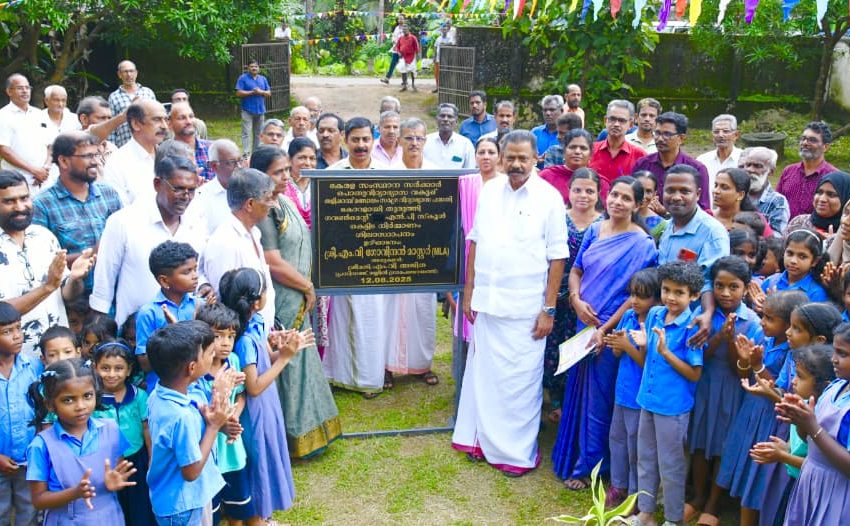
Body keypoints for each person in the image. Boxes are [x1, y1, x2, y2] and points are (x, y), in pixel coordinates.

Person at [452, 130, 568, 476]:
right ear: (501, 158)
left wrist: (548, 309)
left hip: (526, 308)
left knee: (520, 381)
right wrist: (469, 291)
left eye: (523, 158)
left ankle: (515, 452)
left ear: (536, 159)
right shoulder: (489, 191)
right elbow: (475, 242)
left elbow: (558, 257)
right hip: (488, 301)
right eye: (511, 157)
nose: (516, 164)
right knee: (485, 375)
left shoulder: (549, 198)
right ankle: (481, 440)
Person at [553, 176, 658, 489]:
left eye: (626, 198)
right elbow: (577, 269)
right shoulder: (595, 229)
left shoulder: (642, 244)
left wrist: (603, 329)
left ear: (637, 204)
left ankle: (591, 467)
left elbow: (635, 297)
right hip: (583, 320)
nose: (617, 202)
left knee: (599, 397)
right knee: (577, 388)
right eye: (614, 195)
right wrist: (575, 300)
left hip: (613, 328)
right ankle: (573, 454)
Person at [252, 146, 341, 459]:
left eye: (285, 170)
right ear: (260, 175)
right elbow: (273, 261)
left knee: (302, 360)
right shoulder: (266, 212)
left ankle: (313, 430)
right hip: (283, 297)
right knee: (287, 362)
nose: (285, 177)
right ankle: (289, 438)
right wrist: (306, 286)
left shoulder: (284, 201)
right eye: (277, 172)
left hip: (297, 294)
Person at [219, 268, 313, 519]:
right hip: (255, 412)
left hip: (268, 405)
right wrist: (285, 358)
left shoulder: (256, 324)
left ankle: (264, 515)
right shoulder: (244, 340)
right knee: (258, 462)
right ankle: (257, 517)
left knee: (269, 454)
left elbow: (265, 360)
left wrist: (282, 348)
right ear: (256, 302)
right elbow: (254, 386)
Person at [715, 290, 807, 526]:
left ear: (788, 325)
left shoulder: (791, 352)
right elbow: (743, 374)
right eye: (763, 316)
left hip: (772, 417)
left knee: (759, 475)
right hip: (752, 408)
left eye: (770, 318)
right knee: (745, 461)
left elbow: (778, 389)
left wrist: (757, 365)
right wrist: (746, 360)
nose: (763, 322)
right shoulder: (763, 337)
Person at [685, 256, 763, 525]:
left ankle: (713, 503)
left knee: (723, 446)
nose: (726, 293)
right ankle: (697, 496)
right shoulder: (703, 314)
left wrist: (731, 342)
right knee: (699, 441)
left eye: (734, 287)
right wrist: (719, 337)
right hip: (705, 384)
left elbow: (741, 371)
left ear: (746, 288)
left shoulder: (752, 322)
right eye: (719, 286)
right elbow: (698, 357)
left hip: (732, 390)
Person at [91, 155, 208, 327]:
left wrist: (204, 286)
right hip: (136, 333)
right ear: (157, 184)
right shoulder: (123, 222)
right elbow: (104, 283)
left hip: (187, 334)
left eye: (191, 190)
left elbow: (200, 271)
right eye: (178, 189)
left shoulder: (197, 222)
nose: (186, 196)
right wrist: (99, 328)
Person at [630, 261, 704, 526]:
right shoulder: (655, 314)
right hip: (648, 399)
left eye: (679, 292)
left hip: (672, 407)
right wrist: (645, 344)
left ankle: (673, 519)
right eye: (666, 290)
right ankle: (646, 512)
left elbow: (694, 373)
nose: (671, 297)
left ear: (693, 295)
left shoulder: (692, 327)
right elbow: (650, 354)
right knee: (645, 459)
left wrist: (665, 352)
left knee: (671, 465)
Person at [25, 357, 135, 524]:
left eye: (87, 396)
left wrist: (116, 482)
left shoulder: (111, 429)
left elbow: (118, 472)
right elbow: (38, 500)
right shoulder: (41, 446)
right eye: (68, 400)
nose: (81, 406)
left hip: (109, 518)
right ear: (50, 405)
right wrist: (75, 493)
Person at [0, 170, 94, 359]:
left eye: (24, 198)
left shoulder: (44, 236)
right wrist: (47, 287)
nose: (20, 207)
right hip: (13, 361)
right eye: (9, 201)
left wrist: (75, 279)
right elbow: (3, 313)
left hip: (57, 356)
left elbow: (66, 294)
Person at [144, 322, 228, 525]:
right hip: (184, 506)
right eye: (210, 353)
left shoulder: (159, 393)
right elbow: (191, 472)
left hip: (173, 498)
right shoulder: (181, 416)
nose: (213, 356)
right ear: (192, 367)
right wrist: (213, 427)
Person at [542, 167, 603, 424]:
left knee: (577, 348)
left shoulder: (604, 224)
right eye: (577, 190)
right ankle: (554, 399)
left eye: (589, 191)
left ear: (598, 194)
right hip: (554, 292)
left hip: (586, 298)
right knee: (552, 347)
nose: (583, 196)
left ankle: (573, 404)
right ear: (568, 191)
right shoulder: (557, 218)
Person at [384, 118, 440, 388]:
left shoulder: (436, 173)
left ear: (425, 141)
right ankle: (386, 366)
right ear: (399, 141)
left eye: (419, 138)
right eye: (409, 138)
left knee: (423, 310)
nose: (414, 143)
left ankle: (421, 365)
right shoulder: (386, 174)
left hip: (424, 254)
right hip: (392, 252)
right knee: (389, 311)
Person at [446, 137, 502, 403]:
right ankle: (463, 387)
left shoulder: (505, 186)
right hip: (466, 256)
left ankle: (490, 389)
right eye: (481, 152)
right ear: (475, 155)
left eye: (491, 152)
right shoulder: (464, 184)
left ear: (499, 157)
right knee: (465, 324)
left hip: (495, 262)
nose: (486, 156)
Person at [777, 322, 850, 524]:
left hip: (837, 491)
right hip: (811, 481)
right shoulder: (835, 387)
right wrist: (800, 420)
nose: (834, 359)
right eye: (835, 351)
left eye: (843, 354)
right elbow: (810, 441)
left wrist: (813, 427)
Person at [32, 132, 123, 293]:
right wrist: (94, 253)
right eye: (88, 156)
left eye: (96, 155)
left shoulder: (109, 194)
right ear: (63, 161)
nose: (95, 162)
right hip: (73, 299)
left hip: (117, 292)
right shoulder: (42, 204)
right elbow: (40, 263)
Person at [193, 303, 255, 525]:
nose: (226, 342)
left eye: (231, 336)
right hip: (209, 445)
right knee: (213, 511)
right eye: (218, 336)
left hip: (231, 448)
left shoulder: (234, 362)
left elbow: (241, 395)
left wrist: (234, 414)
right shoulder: (197, 370)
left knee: (237, 507)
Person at [602, 269, 660, 507]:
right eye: (633, 294)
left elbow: (649, 364)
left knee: (636, 446)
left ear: (655, 299)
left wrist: (626, 345)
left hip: (640, 396)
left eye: (642, 296)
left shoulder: (655, 324)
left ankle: (636, 494)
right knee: (617, 439)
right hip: (623, 391)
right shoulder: (628, 316)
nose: (635, 301)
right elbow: (618, 353)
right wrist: (617, 344)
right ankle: (618, 485)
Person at [657, 164, 730, 346]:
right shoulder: (668, 227)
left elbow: (710, 280)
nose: (676, 197)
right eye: (670, 190)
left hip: (694, 326)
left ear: (697, 194)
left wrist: (707, 314)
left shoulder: (713, 232)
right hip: (667, 320)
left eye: (684, 191)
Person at [200, 168, 276, 331]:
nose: (273, 204)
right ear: (250, 204)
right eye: (268, 199)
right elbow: (225, 304)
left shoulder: (254, 233)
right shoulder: (225, 241)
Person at [91, 340, 155, 526]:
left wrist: (151, 457)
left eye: (118, 368)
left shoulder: (139, 396)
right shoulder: (93, 399)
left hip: (136, 460)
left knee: (140, 506)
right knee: (113, 506)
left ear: (129, 370)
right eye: (105, 368)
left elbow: (146, 428)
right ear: (95, 368)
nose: (112, 374)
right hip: (106, 463)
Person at [135, 240, 203, 392]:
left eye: (195, 269)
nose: (195, 276)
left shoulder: (200, 306)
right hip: (163, 391)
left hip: (197, 388)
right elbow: (144, 363)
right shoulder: (149, 313)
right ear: (164, 280)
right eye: (187, 272)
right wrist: (174, 337)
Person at [0, 302, 40, 526]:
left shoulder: (33, 367)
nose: (17, 336)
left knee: (29, 513)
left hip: (28, 459)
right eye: (7, 331)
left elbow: (43, 410)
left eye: (18, 328)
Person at [632, 112, 711, 211]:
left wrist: (667, 212)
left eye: (667, 134)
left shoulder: (697, 169)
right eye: (657, 133)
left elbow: (703, 209)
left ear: (681, 138)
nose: (660, 139)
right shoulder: (642, 164)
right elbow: (631, 199)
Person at [102, 100, 168, 206]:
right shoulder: (117, 163)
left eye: (166, 119)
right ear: (135, 124)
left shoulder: (170, 156)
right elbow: (119, 209)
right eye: (157, 119)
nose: (164, 126)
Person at [0, 74, 50, 193]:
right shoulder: (3, 115)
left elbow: (50, 145)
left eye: (27, 88)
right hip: (17, 180)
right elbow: (4, 149)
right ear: (9, 91)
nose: (25, 91)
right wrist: (34, 171)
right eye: (20, 88)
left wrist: (45, 168)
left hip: (44, 178)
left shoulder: (40, 114)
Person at [777, 121, 837, 219]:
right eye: (803, 139)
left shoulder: (834, 176)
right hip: (785, 228)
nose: (805, 143)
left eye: (812, 140)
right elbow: (777, 204)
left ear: (825, 147)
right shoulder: (788, 171)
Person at [757, 230, 829, 304]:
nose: (793, 261)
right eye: (790, 253)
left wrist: (774, 306)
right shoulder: (771, 282)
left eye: (802, 257)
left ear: (814, 261)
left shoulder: (816, 293)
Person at [190, 139, 244, 235]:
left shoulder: (250, 191)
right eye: (232, 162)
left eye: (240, 161)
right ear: (214, 166)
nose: (239, 166)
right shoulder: (201, 198)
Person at [589, 100, 646, 190]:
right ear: (605, 120)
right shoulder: (590, 151)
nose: (616, 124)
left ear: (631, 124)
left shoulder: (639, 156)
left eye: (622, 120)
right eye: (612, 119)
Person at [740, 146, 790, 234]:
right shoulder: (736, 194)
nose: (750, 170)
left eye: (757, 166)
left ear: (771, 171)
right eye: (748, 165)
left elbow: (777, 236)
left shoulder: (777, 201)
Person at [107, 60, 157, 148]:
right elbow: (111, 125)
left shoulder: (148, 92)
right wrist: (112, 148)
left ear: (136, 73)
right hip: (124, 144)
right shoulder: (114, 97)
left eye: (131, 71)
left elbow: (157, 117)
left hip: (148, 143)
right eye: (125, 72)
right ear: (119, 74)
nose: (129, 74)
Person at [785, 170, 850, 237]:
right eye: (819, 192)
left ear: (846, 198)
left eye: (831, 195)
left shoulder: (847, 231)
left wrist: (833, 241)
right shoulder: (799, 223)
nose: (822, 199)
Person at [698, 114, 742, 207]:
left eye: (726, 131)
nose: (720, 135)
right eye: (716, 132)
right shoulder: (702, 160)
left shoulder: (744, 160)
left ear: (736, 135)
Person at [168, 102, 213, 182]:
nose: (189, 121)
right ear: (170, 124)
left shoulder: (212, 149)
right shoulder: (165, 153)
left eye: (191, 116)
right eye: (182, 118)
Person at [423, 104, 475, 169]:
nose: (445, 119)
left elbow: (470, 171)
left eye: (450, 116)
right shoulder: (425, 142)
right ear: (436, 119)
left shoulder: (466, 144)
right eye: (442, 116)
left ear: (456, 121)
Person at [235, 59, 271, 153]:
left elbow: (268, 93)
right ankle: (246, 154)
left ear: (259, 68)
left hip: (260, 110)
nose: (254, 68)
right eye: (252, 66)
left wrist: (260, 92)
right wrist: (251, 92)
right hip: (247, 110)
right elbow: (238, 93)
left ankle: (256, 153)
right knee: (246, 133)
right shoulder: (243, 78)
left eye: (256, 66)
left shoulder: (263, 79)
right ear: (248, 68)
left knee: (258, 134)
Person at [712, 167, 763, 231]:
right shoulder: (705, 217)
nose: (716, 191)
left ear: (740, 195)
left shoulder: (754, 220)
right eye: (716, 185)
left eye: (724, 187)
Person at [284, 138, 318, 228]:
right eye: (302, 158)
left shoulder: (320, 186)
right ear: (289, 160)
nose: (308, 163)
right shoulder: (282, 186)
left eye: (312, 158)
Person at [634, 171, 667, 242]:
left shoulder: (661, 225)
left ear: (654, 194)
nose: (643, 196)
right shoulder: (619, 215)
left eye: (648, 191)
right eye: (639, 190)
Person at [531, 95, 564, 165]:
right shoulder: (535, 133)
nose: (548, 113)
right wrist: (535, 161)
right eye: (545, 110)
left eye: (552, 110)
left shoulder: (568, 134)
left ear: (561, 111)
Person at [379, 15, 406, 85]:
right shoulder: (396, 28)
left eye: (402, 19)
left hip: (403, 49)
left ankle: (404, 81)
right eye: (399, 19)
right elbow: (394, 37)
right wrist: (394, 44)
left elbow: (406, 39)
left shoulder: (405, 28)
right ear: (397, 20)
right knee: (392, 64)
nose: (400, 20)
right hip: (396, 49)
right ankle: (387, 79)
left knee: (403, 65)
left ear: (404, 20)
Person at [431, 22, 456, 93]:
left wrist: (444, 44)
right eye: (443, 29)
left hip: (446, 59)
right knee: (437, 74)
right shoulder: (438, 38)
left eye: (445, 29)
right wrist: (434, 57)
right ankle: (438, 87)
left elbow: (451, 44)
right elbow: (435, 48)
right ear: (441, 30)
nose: (444, 30)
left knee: (445, 73)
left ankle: (445, 87)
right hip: (438, 59)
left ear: (447, 30)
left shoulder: (450, 38)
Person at [396, 25, 420, 92]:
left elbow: (416, 47)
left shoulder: (413, 37)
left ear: (408, 30)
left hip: (411, 56)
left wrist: (417, 56)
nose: (404, 31)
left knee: (413, 71)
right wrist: (399, 52)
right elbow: (397, 47)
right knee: (403, 70)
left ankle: (413, 85)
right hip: (403, 57)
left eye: (405, 29)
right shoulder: (400, 38)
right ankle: (404, 85)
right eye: (403, 30)